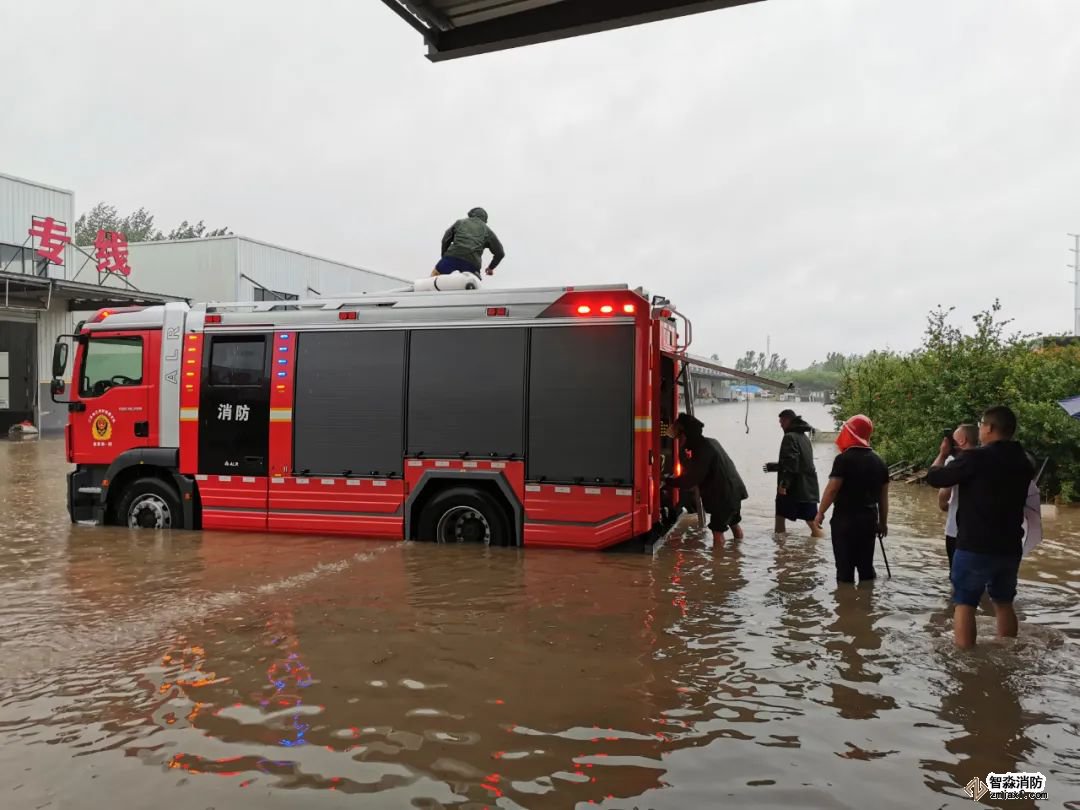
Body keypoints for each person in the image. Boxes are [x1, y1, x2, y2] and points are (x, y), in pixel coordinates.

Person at [926, 405, 1036, 648]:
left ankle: (966, 660)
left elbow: (935, 478)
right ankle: (1007, 652)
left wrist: (943, 454)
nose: (980, 430)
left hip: (975, 545)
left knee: (964, 603)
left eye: (981, 425)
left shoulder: (975, 458)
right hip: (1010, 546)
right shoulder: (1025, 461)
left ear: (990, 428)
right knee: (1003, 602)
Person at [813, 414, 889, 585]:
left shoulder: (843, 460)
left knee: (844, 569)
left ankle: (845, 599)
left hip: (845, 520)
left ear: (849, 433)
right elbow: (883, 498)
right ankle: (866, 598)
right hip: (869, 520)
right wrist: (883, 523)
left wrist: (820, 513)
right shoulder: (880, 462)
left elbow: (832, 489)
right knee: (865, 568)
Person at [665, 413, 748, 545]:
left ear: (686, 435)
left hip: (723, 496)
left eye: (679, 437)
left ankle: (719, 557)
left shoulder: (702, 450)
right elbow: (700, 469)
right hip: (735, 492)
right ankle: (737, 553)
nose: (678, 440)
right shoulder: (711, 442)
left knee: (717, 530)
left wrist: (668, 481)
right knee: (734, 523)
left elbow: (691, 480)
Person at [763, 409, 823, 538]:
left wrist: (784, 484)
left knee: (780, 515)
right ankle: (821, 545)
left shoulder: (789, 437)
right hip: (809, 488)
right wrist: (774, 467)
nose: (781, 425)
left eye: (782, 421)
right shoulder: (804, 437)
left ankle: (780, 546)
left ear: (788, 420)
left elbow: (791, 463)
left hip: (795, 489)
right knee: (812, 521)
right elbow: (800, 462)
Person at [937, 423, 979, 572]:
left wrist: (942, 454)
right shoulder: (987, 460)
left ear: (962, 440)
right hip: (981, 531)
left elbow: (943, 501)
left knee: (957, 575)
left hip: (956, 530)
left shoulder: (953, 462)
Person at [434, 207, 505, 278]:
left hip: (452, 257)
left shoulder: (460, 222)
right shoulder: (488, 231)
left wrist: (444, 257)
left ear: (471, 214)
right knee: (472, 281)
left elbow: (445, 240)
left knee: (435, 276)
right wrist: (490, 268)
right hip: (472, 264)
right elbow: (500, 253)